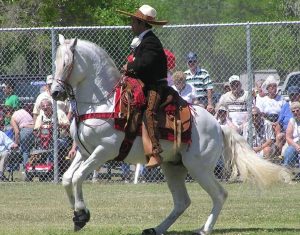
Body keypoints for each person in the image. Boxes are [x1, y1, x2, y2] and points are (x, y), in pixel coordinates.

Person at [118, 4, 168, 168]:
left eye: (133, 21)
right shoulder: (143, 41)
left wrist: (129, 67)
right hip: (142, 86)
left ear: (141, 23)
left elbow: (145, 64)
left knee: (149, 112)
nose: (131, 25)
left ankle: (155, 152)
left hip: (155, 86)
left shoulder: (151, 41)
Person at [283, 101, 300, 168]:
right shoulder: (292, 121)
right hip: (295, 144)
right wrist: (296, 146)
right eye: (293, 111)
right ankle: (287, 171)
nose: (295, 112)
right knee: (289, 151)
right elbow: (288, 137)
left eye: (297, 110)